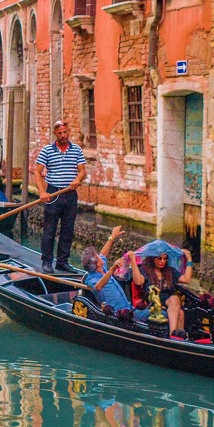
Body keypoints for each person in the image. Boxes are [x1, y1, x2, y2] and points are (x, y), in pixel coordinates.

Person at [35, 120, 88, 272]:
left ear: (68, 131)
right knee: (49, 229)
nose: (63, 135)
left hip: (70, 194)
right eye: (60, 133)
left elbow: (82, 171)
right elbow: (38, 172)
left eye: (65, 132)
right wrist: (42, 192)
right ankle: (46, 261)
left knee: (68, 229)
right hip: (53, 193)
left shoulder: (76, 150)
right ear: (55, 134)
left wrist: (77, 180)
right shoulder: (47, 150)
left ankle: (62, 261)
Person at [128, 241, 193, 336]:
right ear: (153, 259)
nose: (162, 261)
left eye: (165, 259)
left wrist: (189, 259)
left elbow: (186, 279)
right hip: (152, 300)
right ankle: (173, 334)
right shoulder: (145, 270)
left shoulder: (170, 271)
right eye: (160, 258)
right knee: (175, 301)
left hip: (169, 301)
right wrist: (133, 261)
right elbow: (138, 281)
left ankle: (179, 339)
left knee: (180, 312)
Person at [80, 225, 132, 313]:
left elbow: (103, 253)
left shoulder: (102, 267)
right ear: (98, 263)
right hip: (117, 315)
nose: (100, 256)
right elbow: (98, 287)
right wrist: (112, 270)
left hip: (128, 308)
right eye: (98, 257)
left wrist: (112, 237)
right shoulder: (91, 279)